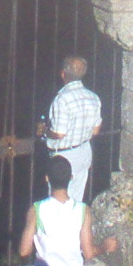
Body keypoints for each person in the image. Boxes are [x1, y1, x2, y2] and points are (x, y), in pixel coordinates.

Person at [40, 55, 104, 201]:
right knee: (77, 197)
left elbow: (59, 133)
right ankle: (75, 223)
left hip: (64, 156)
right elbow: (95, 130)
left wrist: (45, 131)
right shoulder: (93, 97)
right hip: (84, 151)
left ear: (63, 74)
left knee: (58, 198)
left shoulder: (62, 99)